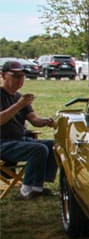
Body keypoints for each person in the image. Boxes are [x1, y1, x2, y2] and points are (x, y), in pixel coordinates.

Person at [0, 60, 57, 200]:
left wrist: (46, 122)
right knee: (38, 149)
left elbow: (34, 120)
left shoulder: (20, 98)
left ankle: (39, 186)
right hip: (2, 143)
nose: (20, 80)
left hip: (18, 140)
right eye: (15, 76)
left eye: (22, 76)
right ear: (3, 75)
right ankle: (26, 189)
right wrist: (19, 106)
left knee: (53, 145)